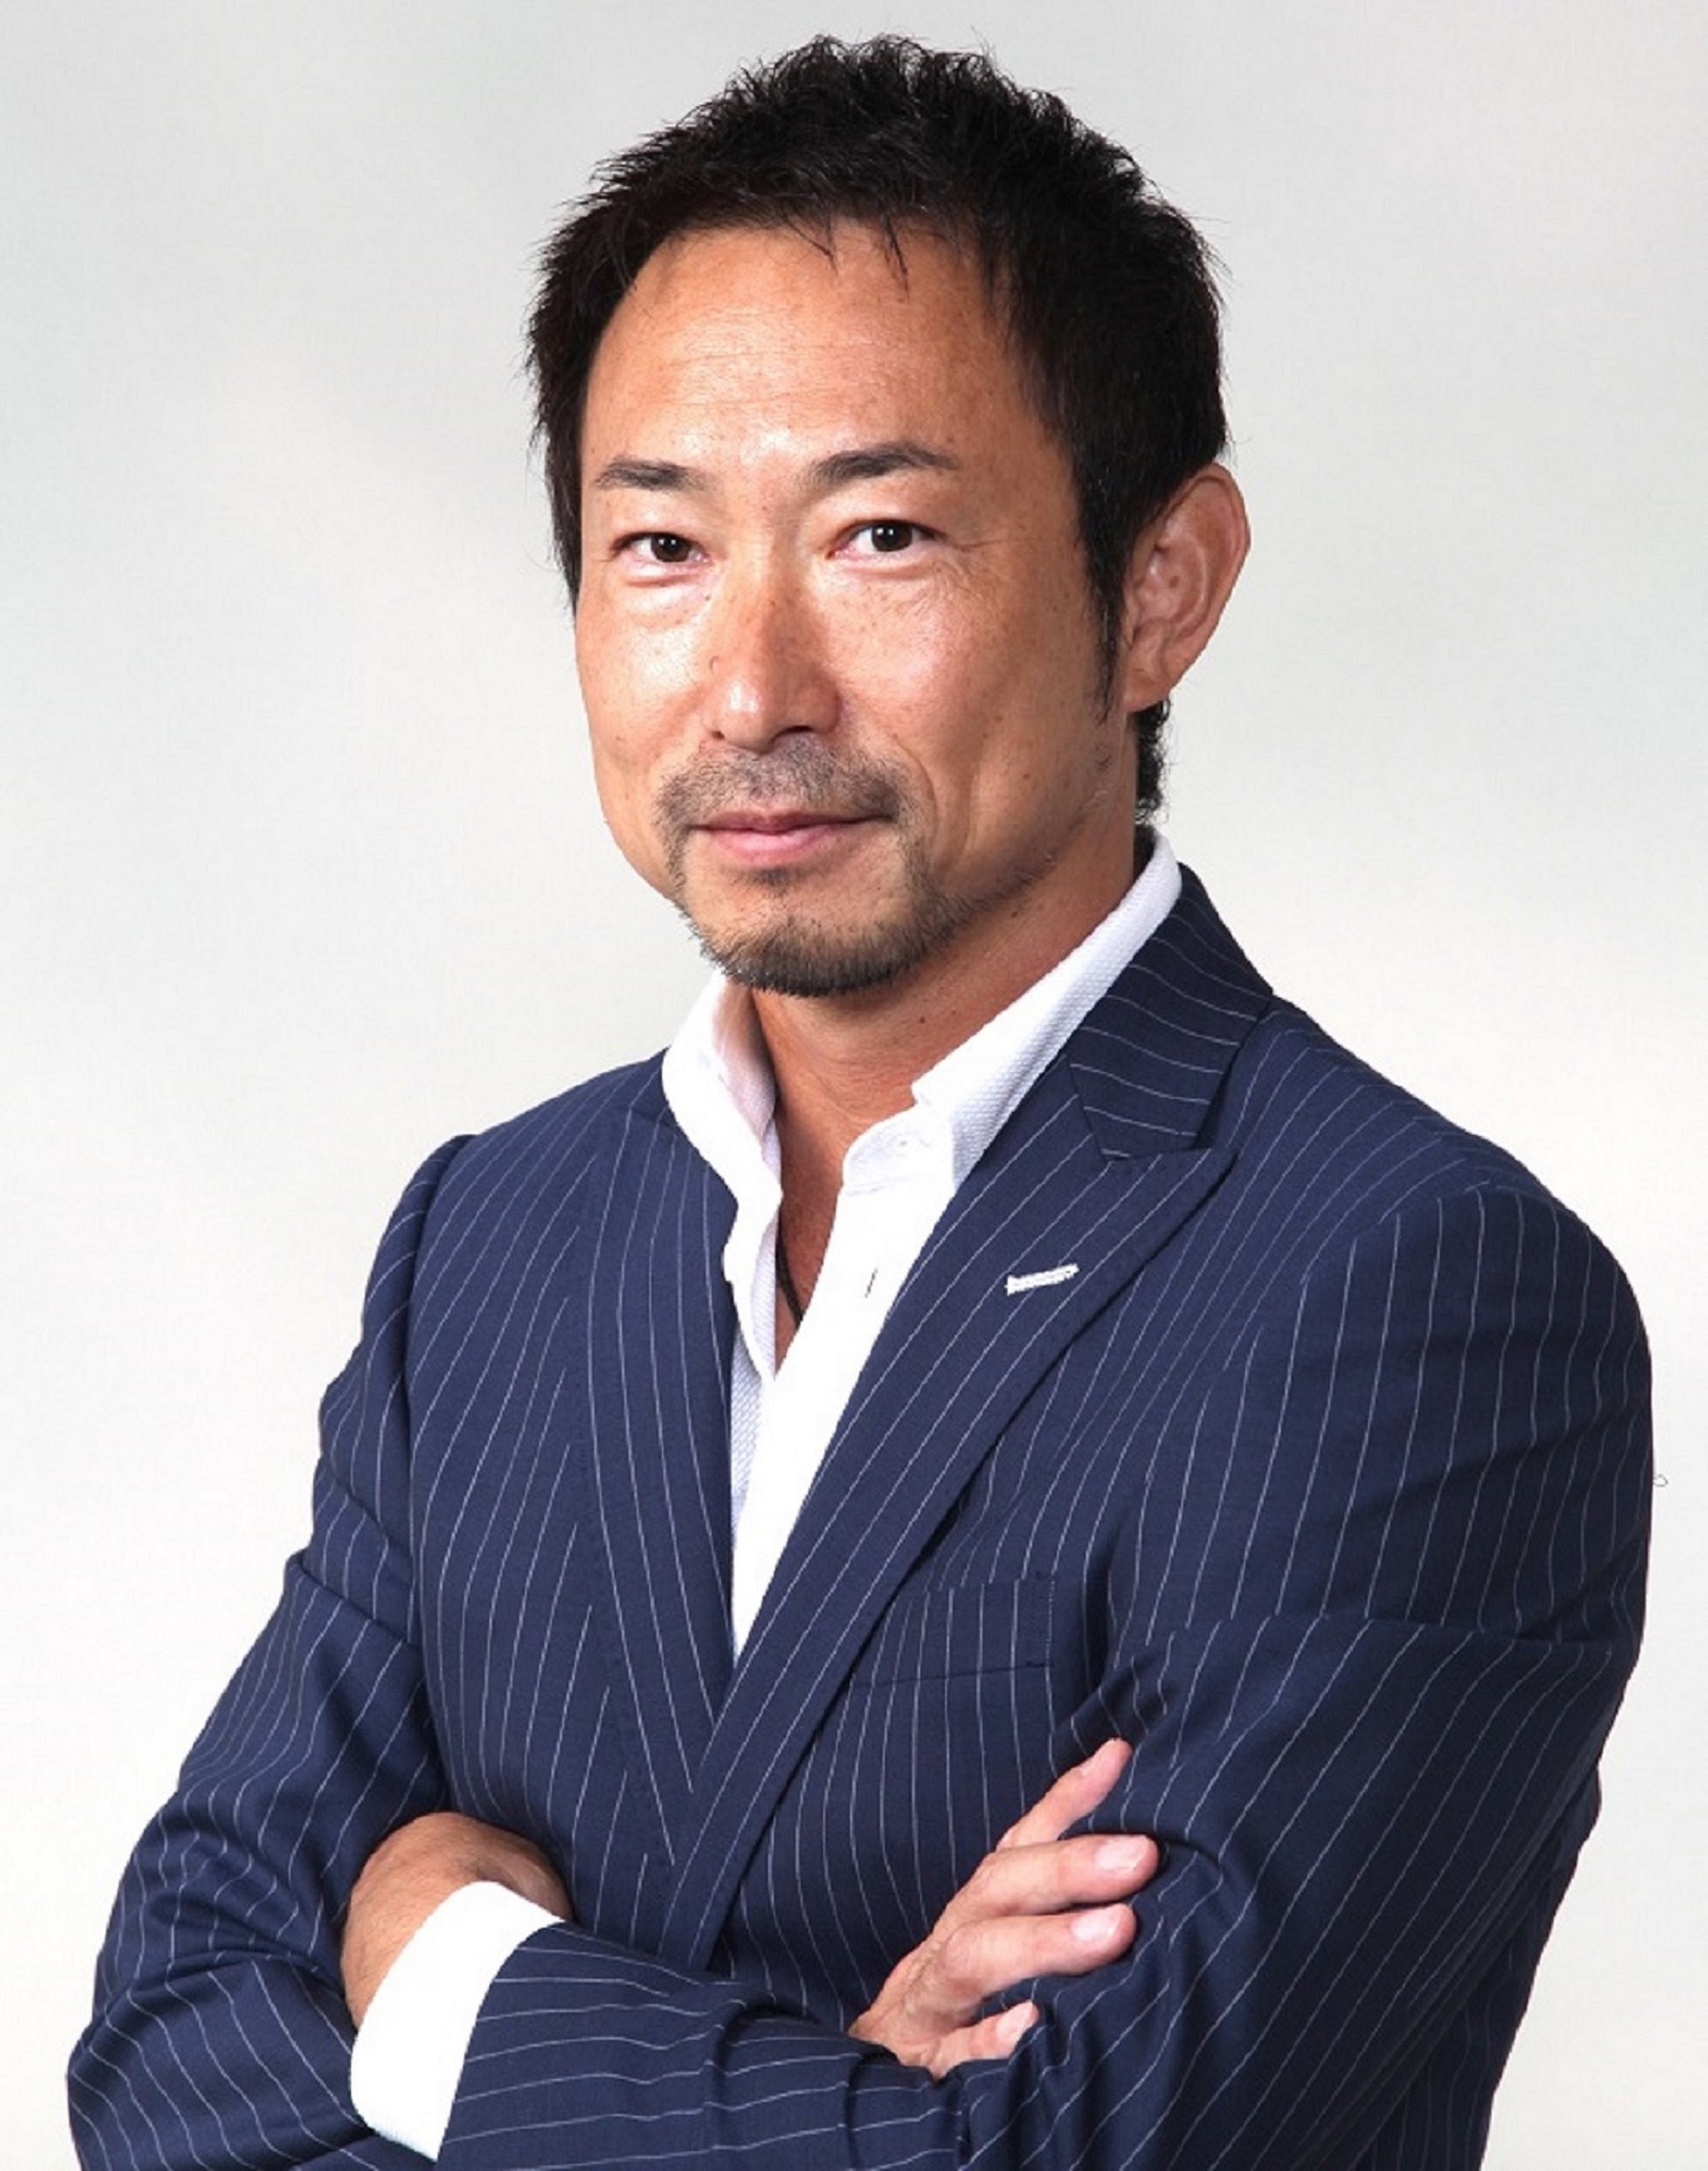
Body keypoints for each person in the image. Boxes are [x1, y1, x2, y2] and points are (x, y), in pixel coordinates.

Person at [70, 35, 1650, 2171]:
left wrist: (439, 1961)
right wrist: (839, 2071)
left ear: (1160, 587)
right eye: (659, 547)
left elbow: (1067, 2156)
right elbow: (169, 2049)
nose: (751, 690)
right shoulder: (494, 1246)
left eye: (881, 535)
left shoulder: (1412, 1296)